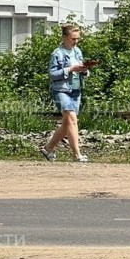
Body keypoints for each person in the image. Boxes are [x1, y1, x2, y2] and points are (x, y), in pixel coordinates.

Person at [39, 24, 97, 162]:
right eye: (73, 38)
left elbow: (82, 70)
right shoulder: (57, 53)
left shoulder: (78, 51)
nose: (75, 42)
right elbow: (53, 74)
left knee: (68, 123)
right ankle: (77, 155)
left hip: (76, 90)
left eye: (77, 39)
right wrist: (70, 69)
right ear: (64, 37)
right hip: (61, 90)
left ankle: (48, 148)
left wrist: (84, 70)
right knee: (72, 119)